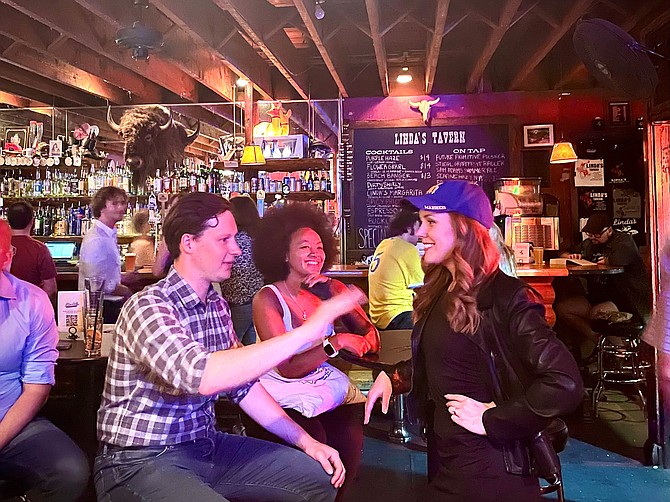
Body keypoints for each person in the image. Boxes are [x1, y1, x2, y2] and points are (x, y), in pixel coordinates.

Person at [94, 192, 366, 502]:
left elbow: (244, 387)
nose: (236, 250)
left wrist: (306, 441)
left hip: (206, 445)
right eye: (224, 239)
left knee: (318, 479)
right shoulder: (149, 306)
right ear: (188, 243)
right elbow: (201, 376)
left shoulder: (216, 305)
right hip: (140, 460)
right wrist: (309, 331)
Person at [364, 180, 582, 501]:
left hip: (489, 469)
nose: (420, 232)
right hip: (447, 459)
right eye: (421, 221)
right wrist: (394, 377)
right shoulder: (440, 288)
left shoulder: (506, 296)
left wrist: (492, 420)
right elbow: (445, 358)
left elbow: (565, 383)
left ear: (464, 229)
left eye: (432, 221)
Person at [251, 202, 380, 498]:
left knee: (348, 447)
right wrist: (336, 343)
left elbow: (371, 337)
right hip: (279, 393)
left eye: (319, 247)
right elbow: (287, 367)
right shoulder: (267, 299)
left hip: (321, 388)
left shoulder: (330, 290)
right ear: (283, 254)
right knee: (317, 451)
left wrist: (335, 296)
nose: (315, 254)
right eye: (304, 247)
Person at [0, 219, 89, 501]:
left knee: (70, 472)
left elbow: (36, 388)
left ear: (8, 256)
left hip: (11, 422)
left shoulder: (32, 302)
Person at [554, 211, 651, 351]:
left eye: (597, 234)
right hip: (597, 297)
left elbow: (622, 258)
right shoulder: (589, 244)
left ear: (609, 230)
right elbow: (562, 252)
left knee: (596, 313)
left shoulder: (623, 240)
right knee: (563, 308)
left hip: (625, 300)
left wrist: (607, 260)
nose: (593, 237)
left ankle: (621, 352)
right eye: (590, 234)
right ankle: (598, 340)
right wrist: (569, 255)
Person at [368, 206, 423, 330]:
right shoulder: (407, 249)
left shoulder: (384, 244)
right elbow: (422, 288)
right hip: (399, 316)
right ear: (409, 228)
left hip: (378, 317)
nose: (422, 233)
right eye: (419, 227)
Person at [219, 195, 264, 345]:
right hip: (256, 300)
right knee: (249, 345)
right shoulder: (258, 239)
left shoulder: (233, 240)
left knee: (230, 346)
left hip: (238, 303)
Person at [78, 186, 132, 299]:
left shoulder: (108, 234)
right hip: (101, 308)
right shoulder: (96, 239)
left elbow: (105, 276)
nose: (121, 207)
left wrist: (123, 278)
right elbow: (96, 284)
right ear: (101, 207)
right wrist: (128, 292)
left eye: (123, 203)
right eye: (115, 203)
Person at [6, 200, 58, 299]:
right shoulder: (40, 249)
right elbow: (51, 289)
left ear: (8, 221)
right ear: (32, 221)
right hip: (31, 309)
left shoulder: (2, 246)